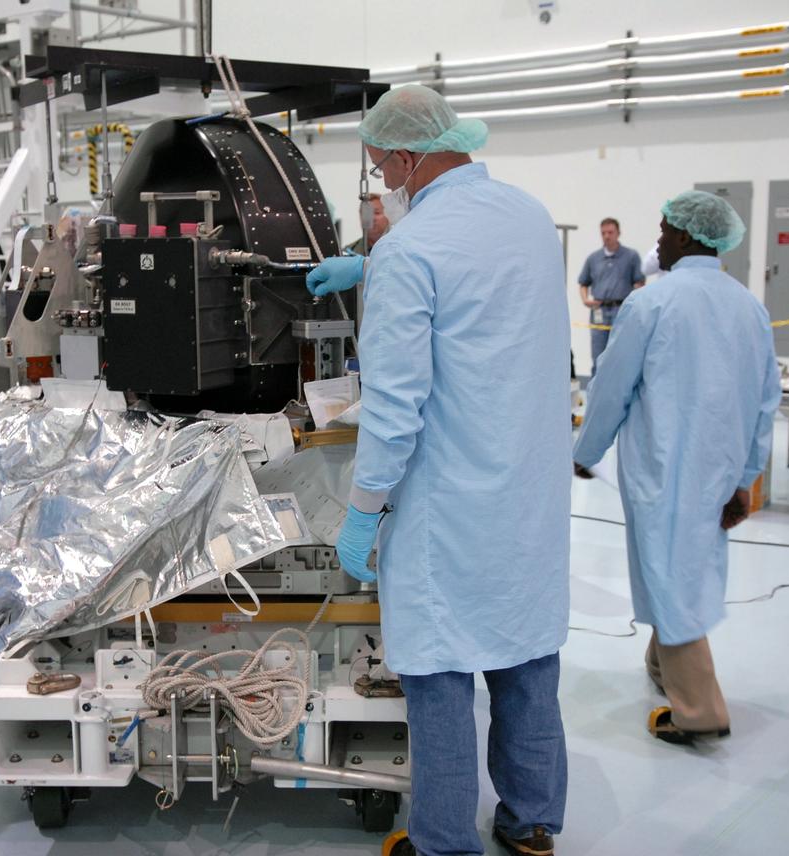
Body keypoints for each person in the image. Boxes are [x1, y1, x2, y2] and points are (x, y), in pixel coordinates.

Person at [305, 85, 570, 856]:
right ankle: (530, 824)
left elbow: (393, 409)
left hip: (449, 503)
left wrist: (363, 508)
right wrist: (367, 265)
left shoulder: (410, 251)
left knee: (441, 674)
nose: (381, 175)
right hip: (527, 489)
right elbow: (482, 298)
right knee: (525, 659)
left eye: (382, 162)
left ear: (407, 156)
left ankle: (446, 841)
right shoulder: (526, 216)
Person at [572, 190, 780, 745]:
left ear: (688, 237)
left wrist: (584, 452)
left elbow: (611, 389)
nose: (657, 240)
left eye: (664, 230)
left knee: (670, 576)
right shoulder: (747, 306)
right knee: (684, 568)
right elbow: (765, 404)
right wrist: (745, 481)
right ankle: (664, 667)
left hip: (664, 470)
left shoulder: (653, 304)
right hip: (718, 471)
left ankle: (700, 711)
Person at [576, 217, 643, 376]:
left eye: (610, 232)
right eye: (603, 233)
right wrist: (586, 300)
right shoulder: (593, 258)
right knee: (598, 354)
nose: (607, 236)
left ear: (618, 233)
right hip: (599, 311)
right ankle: (595, 395)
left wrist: (634, 304)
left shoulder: (630, 256)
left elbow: (639, 283)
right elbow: (583, 283)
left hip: (621, 310)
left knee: (620, 353)